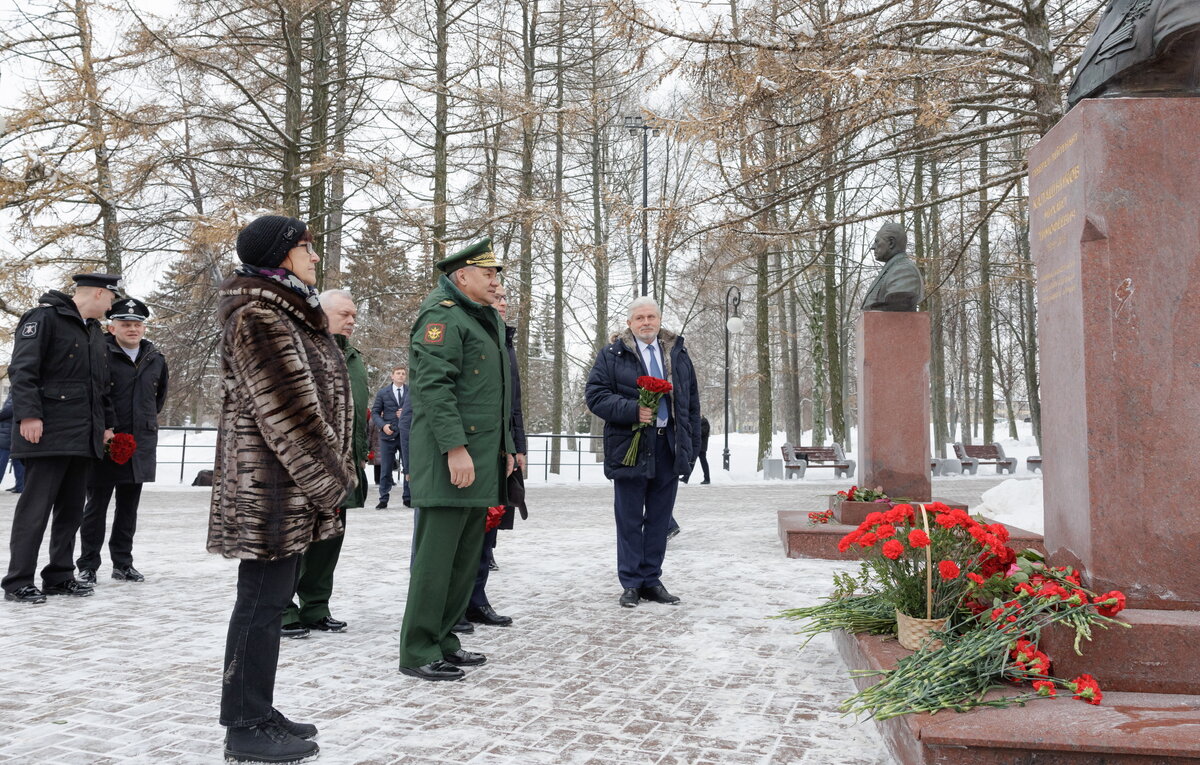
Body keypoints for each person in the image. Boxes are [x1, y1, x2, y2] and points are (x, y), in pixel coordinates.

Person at [209, 215, 356, 764]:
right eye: (305, 248)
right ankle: (244, 726)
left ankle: (257, 709)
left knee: (270, 600)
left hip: (289, 484)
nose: (315, 257)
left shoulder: (289, 313)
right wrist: (333, 480)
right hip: (271, 487)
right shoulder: (260, 317)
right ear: (278, 257)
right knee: (261, 602)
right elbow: (289, 414)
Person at [398, 237, 514, 682]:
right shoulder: (441, 317)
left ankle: (445, 639)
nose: (495, 280)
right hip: (454, 459)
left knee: (464, 558)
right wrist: (455, 449)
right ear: (461, 276)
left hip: (481, 458)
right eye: (488, 273)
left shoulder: (478, 318)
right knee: (436, 558)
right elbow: (434, 389)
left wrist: (503, 450)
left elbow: (494, 396)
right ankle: (418, 648)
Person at [3, 273, 120, 605]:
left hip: (85, 436)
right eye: (111, 298)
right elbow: (23, 370)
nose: (112, 305)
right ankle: (18, 580)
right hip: (47, 431)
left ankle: (59, 575)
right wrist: (28, 415)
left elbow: (102, 387)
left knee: (71, 511)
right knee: (35, 510)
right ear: (98, 293)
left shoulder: (95, 333)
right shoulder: (44, 318)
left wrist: (107, 426)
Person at [586, 296, 701, 608]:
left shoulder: (678, 353)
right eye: (640, 318)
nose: (646, 322)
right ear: (629, 323)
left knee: (660, 518)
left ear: (659, 320)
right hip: (630, 447)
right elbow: (595, 397)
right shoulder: (612, 355)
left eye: (651, 316)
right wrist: (633, 410)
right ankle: (631, 582)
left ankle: (652, 579)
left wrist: (690, 447)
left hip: (668, 445)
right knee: (629, 517)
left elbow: (690, 403)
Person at [280, 289, 369, 639]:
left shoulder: (353, 357)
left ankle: (316, 606)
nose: (351, 321)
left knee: (329, 542)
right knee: (296, 541)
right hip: (307, 469)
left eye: (354, 316)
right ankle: (283, 609)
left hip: (343, 469)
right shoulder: (300, 349)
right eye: (345, 314)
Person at [76, 297, 169, 585]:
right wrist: (105, 429)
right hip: (106, 440)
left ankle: (123, 563)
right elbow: (91, 397)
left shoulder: (156, 357)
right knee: (96, 507)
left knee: (129, 508)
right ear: (112, 327)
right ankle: (88, 564)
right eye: (125, 324)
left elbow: (158, 399)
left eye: (137, 324)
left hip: (139, 443)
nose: (132, 329)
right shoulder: (99, 352)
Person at [463, 280, 527, 629]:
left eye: (505, 298)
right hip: (471, 452)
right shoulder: (467, 333)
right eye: (497, 297)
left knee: (490, 529)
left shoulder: (506, 341)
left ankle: (476, 599)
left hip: (501, 454)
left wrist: (518, 448)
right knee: (465, 534)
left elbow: (513, 404)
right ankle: (454, 604)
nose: (502, 303)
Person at [860, 222, 924, 312]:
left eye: (877, 241)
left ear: (891, 243)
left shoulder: (904, 270)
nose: (873, 247)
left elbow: (898, 305)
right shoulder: (892, 269)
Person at [370, 366, 408, 508]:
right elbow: (375, 413)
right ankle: (383, 498)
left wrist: (406, 413)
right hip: (388, 435)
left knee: (408, 467)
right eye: (398, 373)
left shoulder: (411, 392)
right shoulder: (383, 393)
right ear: (392, 376)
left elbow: (418, 409)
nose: (401, 376)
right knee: (385, 469)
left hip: (405, 435)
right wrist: (383, 426)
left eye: (403, 374)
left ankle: (408, 497)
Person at [1, 392, 27, 493]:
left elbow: (9, 409)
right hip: (12, 431)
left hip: (7, 433)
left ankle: (21, 486)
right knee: (17, 460)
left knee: (2, 459)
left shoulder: (16, 390)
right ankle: (20, 486)